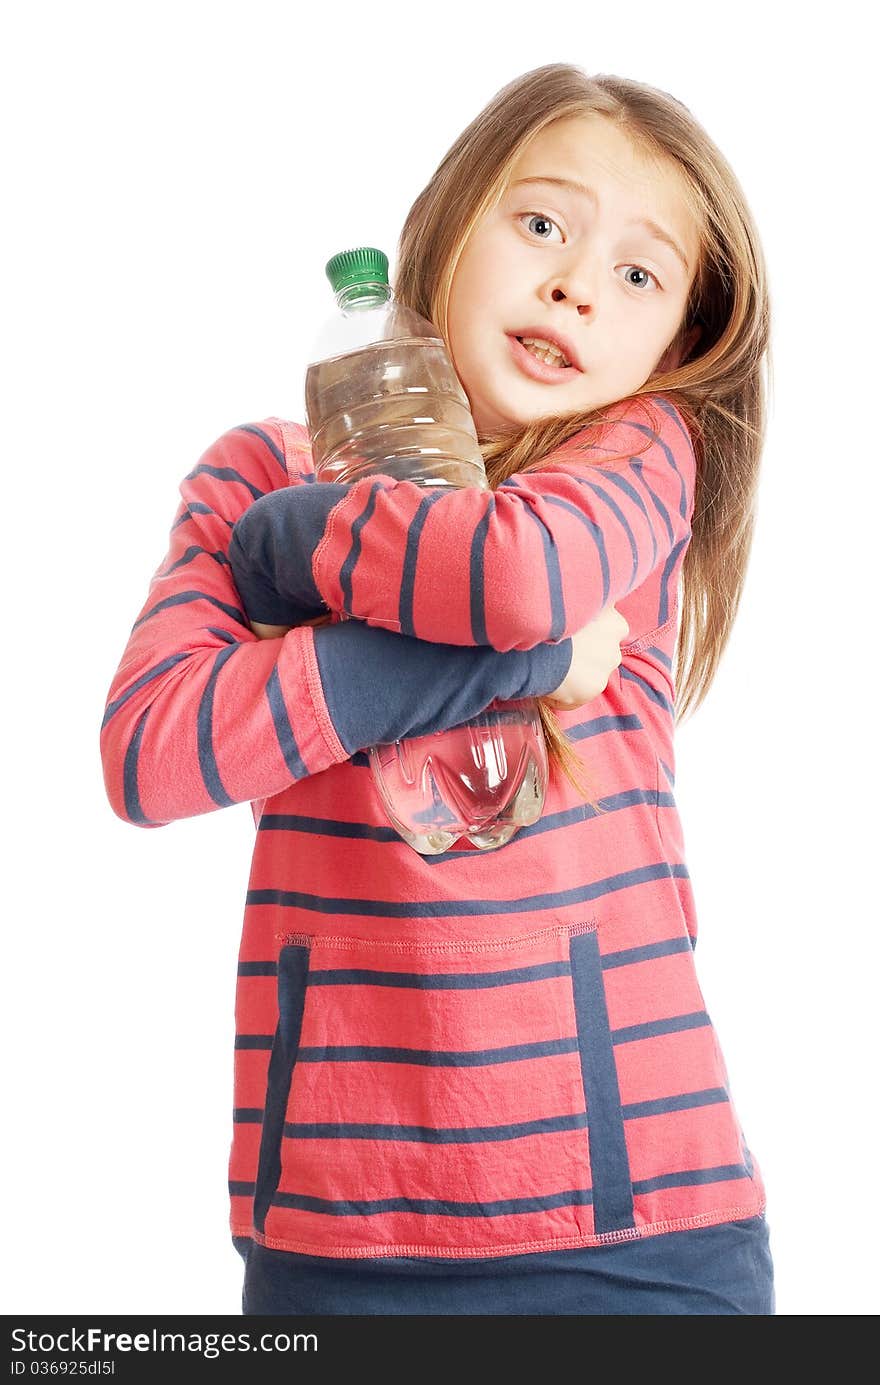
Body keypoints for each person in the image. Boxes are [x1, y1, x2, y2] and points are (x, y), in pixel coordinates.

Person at [100, 63, 775, 1315]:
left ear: (673, 342)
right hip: (333, 1240)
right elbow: (149, 753)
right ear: (445, 227)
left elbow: (520, 575)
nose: (576, 281)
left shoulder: (632, 458)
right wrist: (534, 665)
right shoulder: (258, 468)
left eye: (640, 272)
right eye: (540, 224)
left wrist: (295, 548)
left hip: (636, 1239)